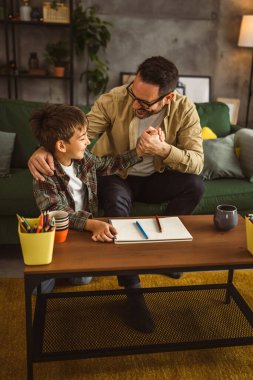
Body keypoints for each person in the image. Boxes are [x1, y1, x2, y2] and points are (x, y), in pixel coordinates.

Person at [28, 56, 205, 281]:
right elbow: (77, 135)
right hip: (117, 175)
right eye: (133, 93)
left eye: (144, 103)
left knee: (195, 185)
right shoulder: (113, 99)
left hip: (157, 178)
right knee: (115, 199)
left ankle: (164, 253)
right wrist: (44, 148)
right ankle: (128, 278)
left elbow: (197, 162)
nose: (134, 104)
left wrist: (163, 149)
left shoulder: (185, 109)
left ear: (167, 97)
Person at [30, 103, 156, 333]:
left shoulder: (83, 159)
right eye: (83, 137)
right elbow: (56, 211)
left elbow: (107, 165)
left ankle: (70, 273)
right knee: (38, 289)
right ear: (61, 145)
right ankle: (50, 275)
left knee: (83, 280)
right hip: (59, 237)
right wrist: (91, 223)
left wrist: (139, 151)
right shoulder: (44, 175)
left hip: (83, 233)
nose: (88, 141)